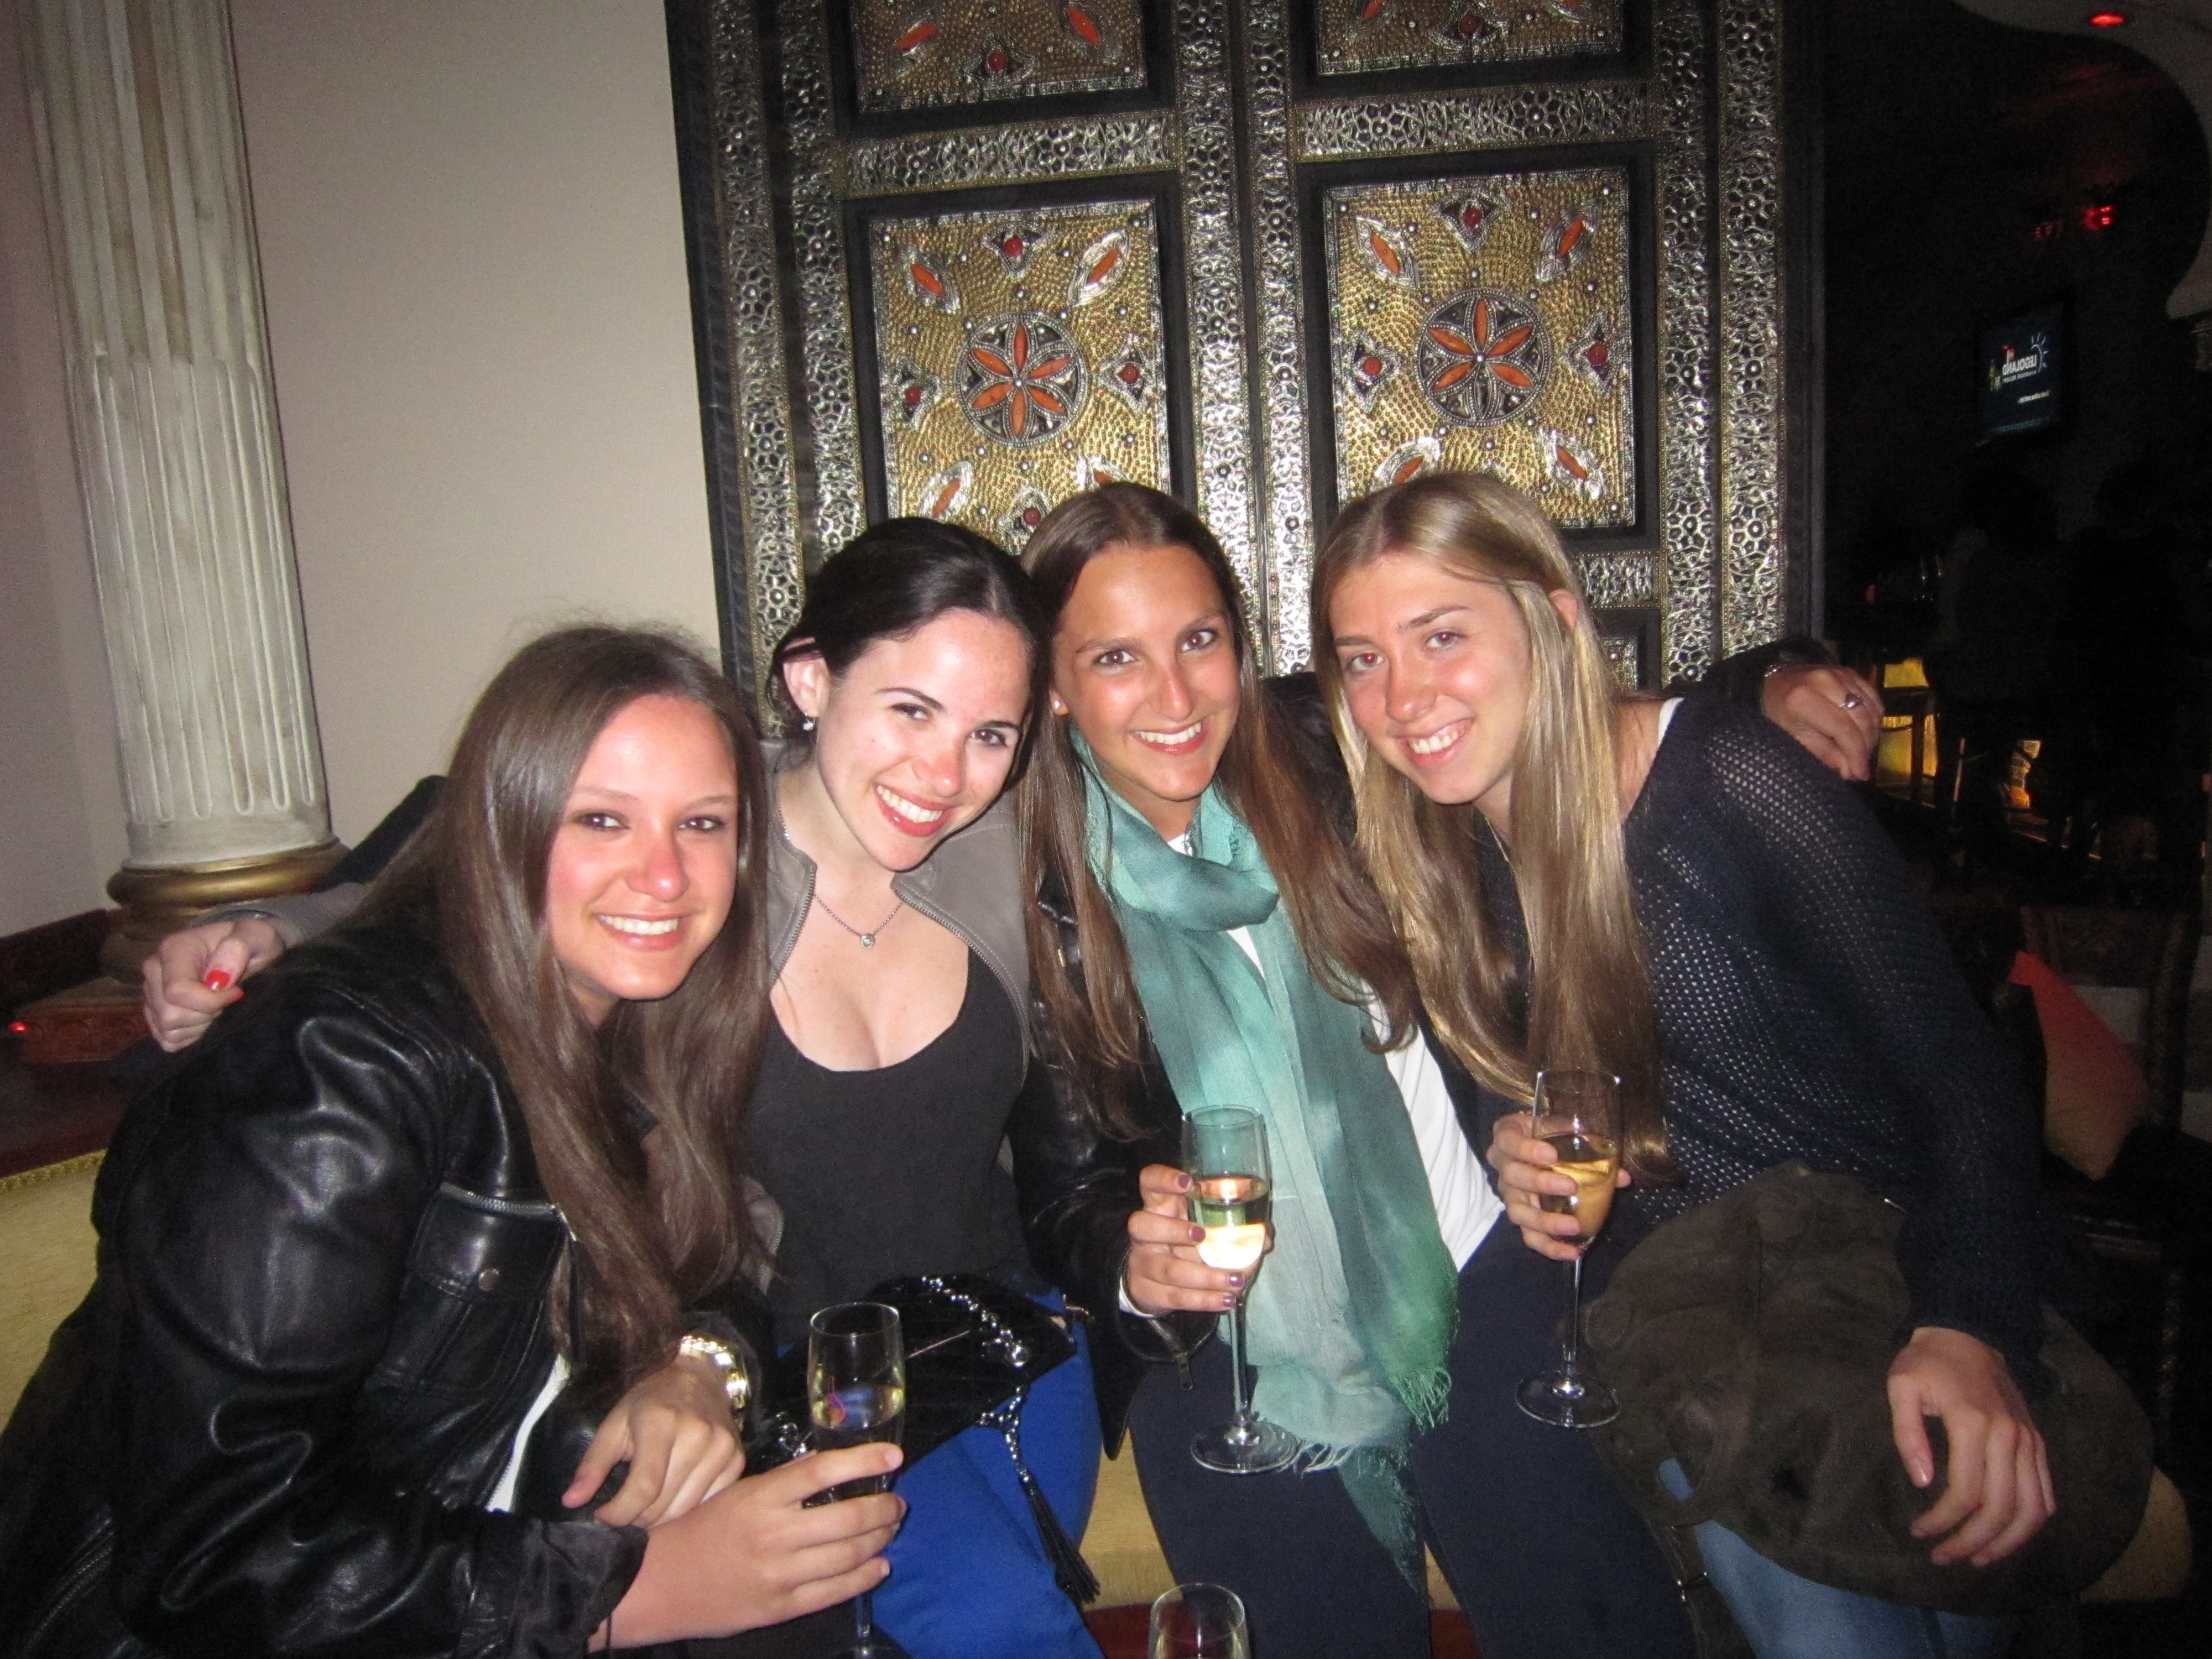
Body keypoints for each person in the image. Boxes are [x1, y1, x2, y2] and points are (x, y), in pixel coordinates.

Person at [134, 523, 1104, 1659]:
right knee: (998, 1624)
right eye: (910, 710)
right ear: (809, 682)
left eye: (989, 733)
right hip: (789, 1383)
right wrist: (270, 928)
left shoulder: (997, 843)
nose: (944, 774)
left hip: (989, 1347)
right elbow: (474, 841)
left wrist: (696, 1360)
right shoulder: (693, 881)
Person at [1009, 483, 1883, 1659]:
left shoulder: (1323, 749)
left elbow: (1524, 699)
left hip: (1467, 1262)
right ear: (1054, 688)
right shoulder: (1035, 899)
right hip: (1230, 1340)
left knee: (1595, 1622)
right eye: (1115, 657)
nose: (1174, 696)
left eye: (1199, 640)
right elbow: (1063, 1195)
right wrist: (1130, 1262)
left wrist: (1757, 685)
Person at [0, 626, 904, 1658]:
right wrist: (632, 1596)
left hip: (504, 1568)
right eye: (601, 820)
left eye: (701, 823)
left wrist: (696, 1369)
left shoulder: (641, 1027)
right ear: (502, 825)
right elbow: (215, 1554)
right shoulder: (331, 1068)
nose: (664, 876)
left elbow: (714, 1257)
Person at [1311, 472, 2054, 1659]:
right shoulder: (1432, 858)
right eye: (1362, 659)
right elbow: (1198, 723)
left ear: (1554, 620)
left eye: (1442, 636)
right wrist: (1513, 1145)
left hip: (1884, 1284)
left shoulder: (1727, 781)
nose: (1402, 698)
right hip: (1685, 1332)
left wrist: (1967, 1329)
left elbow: (1960, 1079)